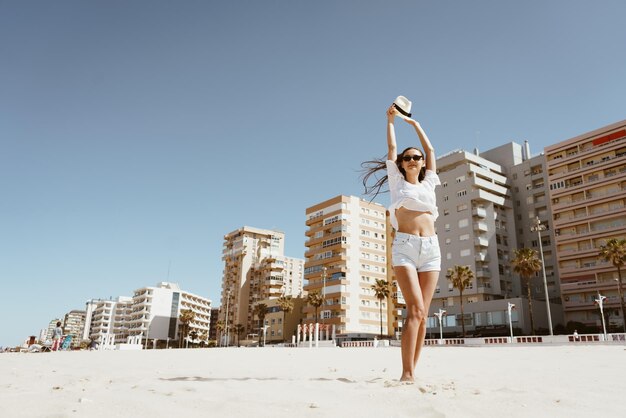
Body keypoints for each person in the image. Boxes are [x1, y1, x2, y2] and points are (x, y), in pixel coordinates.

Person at [362, 99, 441, 383]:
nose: (411, 161)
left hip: (432, 249)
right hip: (405, 248)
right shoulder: (397, 182)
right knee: (415, 310)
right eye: (407, 158)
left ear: (421, 164)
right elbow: (393, 149)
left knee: (424, 314)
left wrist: (415, 123)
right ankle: (406, 374)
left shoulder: (430, 181)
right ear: (402, 164)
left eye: (416, 158)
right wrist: (391, 120)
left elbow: (431, 149)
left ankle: (412, 370)